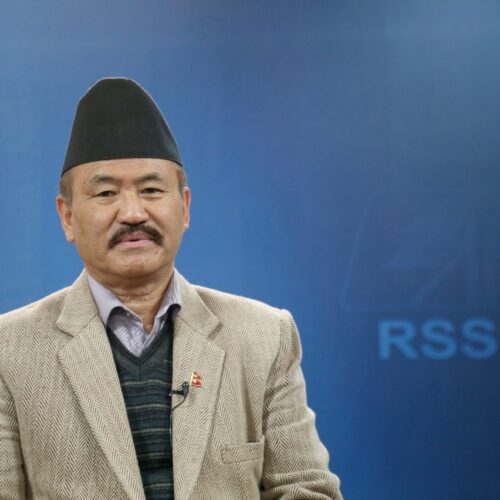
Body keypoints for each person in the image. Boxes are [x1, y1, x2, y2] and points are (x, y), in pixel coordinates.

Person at [0, 78, 342, 499]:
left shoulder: (263, 336)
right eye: (106, 193)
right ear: (67, 217)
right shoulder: (9, 350)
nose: (132, 213)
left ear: (185, 208)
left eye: (151, 190)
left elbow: (306, 489)